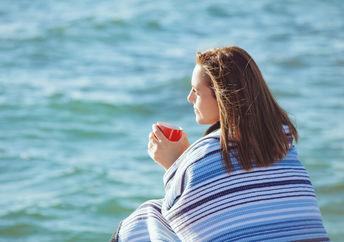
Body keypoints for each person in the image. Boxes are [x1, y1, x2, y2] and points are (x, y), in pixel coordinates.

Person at [110, 46, 329, 241]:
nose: (189, 98)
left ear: (222, 96)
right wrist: (185, 161)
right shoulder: (282, 144)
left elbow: (187, 228)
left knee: (145, 218)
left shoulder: (203, 155)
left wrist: (175, 164)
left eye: (196, 90)